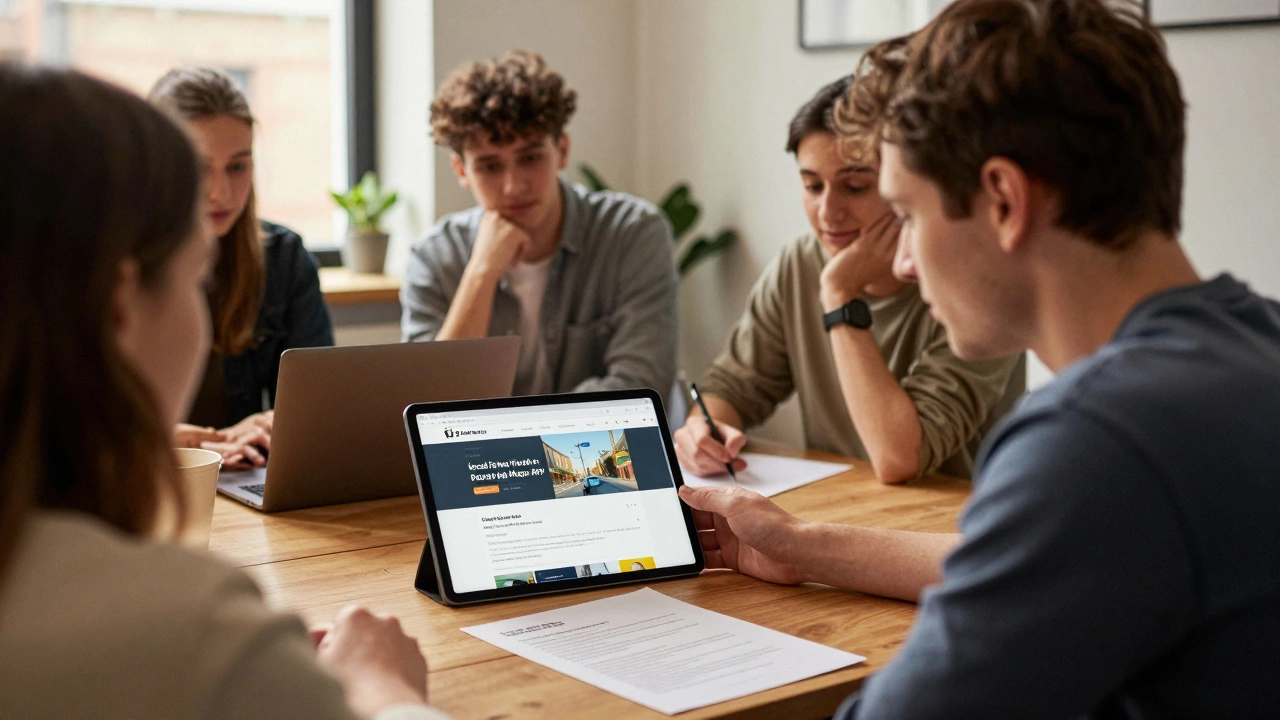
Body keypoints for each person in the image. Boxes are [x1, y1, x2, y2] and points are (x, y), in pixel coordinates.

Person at [680, 0, 1280, 717]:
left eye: (906, 214)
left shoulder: (1098, 443)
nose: (900, 259)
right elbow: (1010, 566)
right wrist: (798, 544)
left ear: (1002, 198)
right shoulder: (1253, 343)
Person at [0, 64, 448, 720]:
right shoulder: (186, 629)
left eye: (239, 165)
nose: (221, 190)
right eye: (193, 276)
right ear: (121, 302)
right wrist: (385, 689)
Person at [674, 74, 1024, 484]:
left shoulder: (975, 282)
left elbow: (899, 458)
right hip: (841, 515)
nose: (827, 212)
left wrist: (840, 295)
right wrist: (704, 431)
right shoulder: (799, 263)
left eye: (855, 186)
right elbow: (735, 386)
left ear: (901, 181)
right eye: (812, 185)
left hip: (952, 529)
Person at [402, 50, 677, 397]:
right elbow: (427, 402)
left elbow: (640, 386)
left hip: (595, 452)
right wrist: (481, 274)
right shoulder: (433, 256)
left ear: (561, 150)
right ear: (461, 171)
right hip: (483, 453)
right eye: (489, 166)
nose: (514, 185)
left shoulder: (632, 233)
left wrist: (526, 444)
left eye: (530, 158)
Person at [150, 67, 334, 469]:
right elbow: (74, 428)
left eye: (238, 166)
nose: (222, 193)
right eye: (199, 169)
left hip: (243, 477)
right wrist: (178, 442)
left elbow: (321, 405)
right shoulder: (113, 262)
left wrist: (273, 424)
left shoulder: (282, 258)